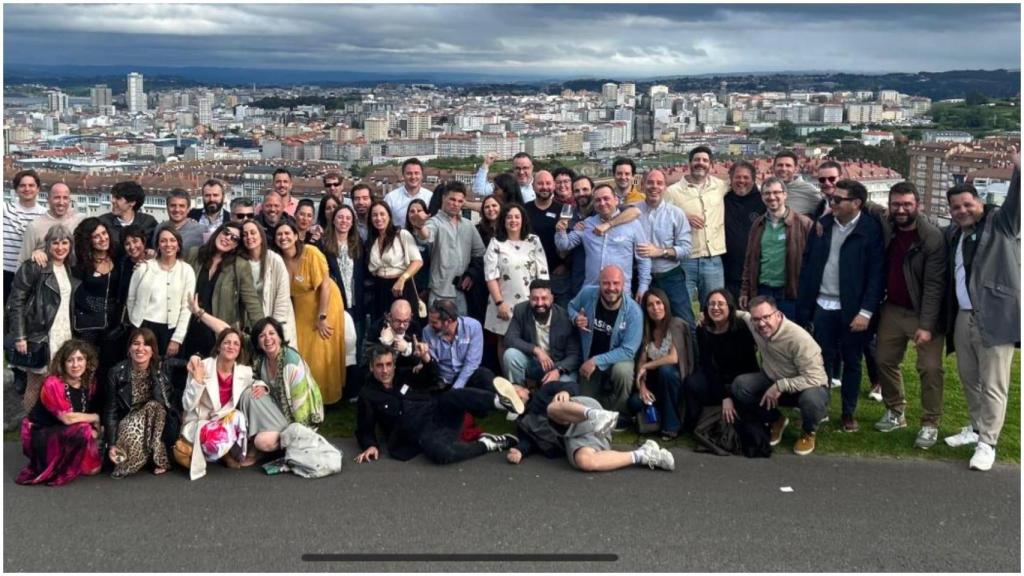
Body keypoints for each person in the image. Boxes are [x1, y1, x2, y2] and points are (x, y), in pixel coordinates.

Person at [942, 153, 1019, 471]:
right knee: (969, 377)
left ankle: (988, 442)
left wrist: (1019, 168)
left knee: (994, 384)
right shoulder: (955, 234)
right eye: (956, 208)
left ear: (980, 202)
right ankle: (975, 429)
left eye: (966, 205)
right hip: (963, 315)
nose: (961, 211)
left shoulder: (1002, 223)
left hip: (994, 314)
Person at [797, 179, 884, 433]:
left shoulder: (870, 230)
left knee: (853, 361)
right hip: (823, 304)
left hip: (854, 310)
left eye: (838, 199)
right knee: (822, 360)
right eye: (832, 199)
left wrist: (866, 312)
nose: (831, 202)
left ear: (856, 203)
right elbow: (809, 264)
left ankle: (848, 412)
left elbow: (876, 275)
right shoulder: (822, 225)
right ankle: (821, 407)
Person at [354, 345, 523, 465]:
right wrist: (370, 446)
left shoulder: (405, 374)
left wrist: (426, 359)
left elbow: (431, 377)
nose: (385, 370)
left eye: (388, 364)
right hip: (422, 434)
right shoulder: (368, 394)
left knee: (454, 396)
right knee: (441, 454)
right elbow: (365, 427)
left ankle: (501, 402)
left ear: (394, 364)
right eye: (379, 366)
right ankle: (488, 444)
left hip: (437, 412)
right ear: (371, 367)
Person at [872, 182, 948, 449]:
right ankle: (895, 411)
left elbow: (934, 286)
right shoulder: (888, 226)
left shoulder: (931, 237)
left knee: (929, 368)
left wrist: (926, 325)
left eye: (907, 204)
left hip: (923, 312)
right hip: (892, 308)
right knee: (883, 360)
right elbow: (867, 205)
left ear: (918, 205)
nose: (901, 209)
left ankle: (930, 423)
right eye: (896, 204)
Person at [179, 328, 289, 480]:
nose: (231, 346)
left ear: (239, 350)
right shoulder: (202, 366)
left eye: (236, 344)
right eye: (227, 343)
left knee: (238, 417)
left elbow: (255, 380)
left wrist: (262, 386)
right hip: (201, 422)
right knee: (215, 440)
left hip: (224, 422)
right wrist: (197, 381)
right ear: (219, 346)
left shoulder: (243, 372)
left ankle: (225, 452)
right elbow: (187, 405)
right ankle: (222, 454)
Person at [732, 296, 830, 455]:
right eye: (756, 319)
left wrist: (781, 385)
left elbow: (816, 378)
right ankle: (776, 419)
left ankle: (808, 432)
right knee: (740, 386)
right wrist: (710, 314)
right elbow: (742, 315)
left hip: (806, 387)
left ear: (778, 314)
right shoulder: (753, 322)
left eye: (766, 317)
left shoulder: (800, 339)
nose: (761, 323)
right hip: (772, 380)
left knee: (812, 399)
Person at [7, 225, 78, 413]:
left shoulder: (68, 268)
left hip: (64, 334)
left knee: (57, 384)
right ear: (48, 244)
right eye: (55, 242)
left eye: (65, 243)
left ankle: (49, 429)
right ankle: (29, 429)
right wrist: (20, 337)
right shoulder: (34, 266)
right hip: (41, 335)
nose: (60, 247)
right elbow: (16, 302)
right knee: (35, 385)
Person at [274, 221, 346, 405]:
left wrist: (322, 317)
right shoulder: (278, 260)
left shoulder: (311, 253)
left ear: (297, 235)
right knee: (304, 349)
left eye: (287, 233)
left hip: (324, 302)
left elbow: (325, 286)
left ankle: (327, 397)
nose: (283, 237)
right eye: (279, 234)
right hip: (300, 307)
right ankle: (306, 395)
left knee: (321, 348)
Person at [16, 339, 103, 486]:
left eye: (80, 359)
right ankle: (58, 465)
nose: (75, 365)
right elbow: (67, 418)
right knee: (84, 430)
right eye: (70, 360)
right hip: (41, 432)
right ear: (63, 363)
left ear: (87, 361)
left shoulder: (89, 382)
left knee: (94, 469)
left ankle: (73, 456)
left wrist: (97, 428)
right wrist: (95, 418)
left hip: (66, 430)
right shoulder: (53, 384)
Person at [103, 328, 180, 478]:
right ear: (129, 349)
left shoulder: (162, 367)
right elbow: (111, 410)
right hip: (129, 420)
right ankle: (145, 457)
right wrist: (112, 443)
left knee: (154, 407)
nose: (140, 348)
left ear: (153, 350)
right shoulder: (116, 372)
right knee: (121, 462)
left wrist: (196, 357)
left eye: (146, 345)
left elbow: (188, 363)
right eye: (136, 344)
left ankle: (159, 459)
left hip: (157, 419)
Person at [182, 222, 264, 359]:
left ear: (237, 245)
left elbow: (252, 303)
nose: (228, 238)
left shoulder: (239, 265)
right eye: (226, 232)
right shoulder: (194, 254)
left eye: (234, 238)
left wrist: (263, 333)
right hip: (188, 330)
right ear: (218, 232)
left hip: (218, 334)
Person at [568, 265, 643, 415]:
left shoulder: (634, 312)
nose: (611, 288)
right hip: (589, 361)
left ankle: (620, 413)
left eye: (616, 283)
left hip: (615, 360)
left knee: (623, 371)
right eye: (606, 283)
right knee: (584, 405)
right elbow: (571, 306)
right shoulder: (588, 293)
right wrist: (576, 318)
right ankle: (602, 408)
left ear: (623, 284)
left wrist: (596, 361)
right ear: (599, 283)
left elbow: (628, 351)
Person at [682, 289, 760, 432]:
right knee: (693, 383)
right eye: (711, 304)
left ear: (729, 307)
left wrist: (729, 394)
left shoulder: (741, 328)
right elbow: (707, 365)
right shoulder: (703, 329)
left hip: (740, 377)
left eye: (720, 304)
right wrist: (723, 396)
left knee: (740, 389)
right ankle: (696, 425)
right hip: (716, 375)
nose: (715, 308)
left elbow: (748, 364)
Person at [555, 184, 651, 298]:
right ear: (594, 204)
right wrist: (560, 231)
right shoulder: (587, 224)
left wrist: (643, 286)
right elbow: (564, 245)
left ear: (616, 200)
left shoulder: (633, 224)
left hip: (621, 293)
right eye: (598, 200)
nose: (602, 203)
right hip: (591, 293)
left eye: (606, 198)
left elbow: (643, 258)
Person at [484, 203, 549, 369]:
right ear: (503, 220)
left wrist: (542, 300)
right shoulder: (496, 243)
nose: (513, 220)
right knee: (504, 341)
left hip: (530, 302)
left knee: (532, 340)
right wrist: (500, 303)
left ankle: (531, 382)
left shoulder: (534, 241)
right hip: (503, 302)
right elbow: (490, 276)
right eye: (509, 217)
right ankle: (509, 381)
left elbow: (542, 274)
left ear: (523, 219)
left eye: (516, 216)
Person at [665, 145, 729, 310]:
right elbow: (661, 218)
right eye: (697, 160)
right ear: (689, 163)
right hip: (685, 260)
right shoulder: (672, 192)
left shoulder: (721, 186)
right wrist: (683, 218)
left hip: (713, 260)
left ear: (711, 165)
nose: (700, 163)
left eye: (705, 160)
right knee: (682, 309)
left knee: (715, 309)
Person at [739, 177, 813, 319]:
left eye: (776, 192)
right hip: (763, 291)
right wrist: (744, 291)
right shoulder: (758, 225)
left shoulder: (803, 224)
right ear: (762, 197)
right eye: (767, 193)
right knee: (765, 335)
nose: (771, 197)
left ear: (785, 195)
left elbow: (814, 262)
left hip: (789, 293)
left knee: (789, 336)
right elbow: (749, 261)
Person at [626, 289, 694, 440]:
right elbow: (642, 361)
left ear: (665, 304)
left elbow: (673, 358)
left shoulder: (676, 324)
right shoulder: (647, 329)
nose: (655, 308)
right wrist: (642, 387)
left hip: (674, 380)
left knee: (666, 371)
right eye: (650, 305)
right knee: (635, 402)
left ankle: (671, 427)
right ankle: (656, 419)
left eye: (659, 303)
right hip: (655, 383)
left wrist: (647, 367)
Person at [545, 394, 675, 471]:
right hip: (574, 435)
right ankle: (644, 454)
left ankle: (594, 415)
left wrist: (564, 391)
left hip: (580, 410)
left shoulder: (541, 394)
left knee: (551, 408)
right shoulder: (524, 425)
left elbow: (570, 386)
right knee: (584, 461)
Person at [632, 169, 693, 326]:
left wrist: (660, 252)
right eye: (650, 182)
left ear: (665, 187)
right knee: (642, 324)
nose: (654, 186)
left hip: (670, 277)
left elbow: (686, 249)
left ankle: (691, 350)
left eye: (659, 183)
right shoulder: (632, 212)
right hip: (640, 278)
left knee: (685, 322)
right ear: (643, 185)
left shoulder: (676, 214)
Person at [126, 227, 196, 356]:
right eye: (163, 241)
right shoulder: (143, 267)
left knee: (167, 370)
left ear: (178, 245)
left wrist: (177, 338)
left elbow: (186, 308)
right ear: (157, 245)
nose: (168, 244)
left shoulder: (187, 271)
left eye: (172, 240)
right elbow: (131, 298)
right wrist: (135, 323)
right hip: (144, 325)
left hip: (171, 329)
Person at [419, 182, 486, 316]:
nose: (456, 204)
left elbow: (480, 253)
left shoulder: (468, 226)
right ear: (444, 198)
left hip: (463, 291)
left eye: (460, 201)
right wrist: (420, 226)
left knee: (462, 332)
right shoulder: (434, 222)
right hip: (440, 290)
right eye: (452, 199)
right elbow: (426, 236)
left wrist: (471, 273)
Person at [503, 279, 580, 388]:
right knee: (510, 355)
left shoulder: (565, 318)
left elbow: (575, 355)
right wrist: (536, 350)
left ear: (552, 298)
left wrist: (558, 371)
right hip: (534, 362)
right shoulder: (521, 310)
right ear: (529, 298)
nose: (540, 303)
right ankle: (520, 394)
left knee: (563, 387)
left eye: (544, 298)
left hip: (558, 366)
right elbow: (510, 338)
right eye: (535, 299)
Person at [238, 219, 297, 346]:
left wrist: (273, 329)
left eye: (253, 233)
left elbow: (282, 297)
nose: (249, 237)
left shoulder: (274, 260)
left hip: (275, 322)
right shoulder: (240, 262)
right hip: (249, 324)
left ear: (261, 235)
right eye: (245, 234)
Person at [367, 200, 423, 319]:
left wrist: (402, 279)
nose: (378, 218)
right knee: (382, 328)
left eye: (382, 214)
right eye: (374, 215)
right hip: (380, 288)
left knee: (402, 326)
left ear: (389, 216)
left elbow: (417, 261)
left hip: (401, 287)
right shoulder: (372, 240)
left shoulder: (401, 234)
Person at [721, 160, 765, 302]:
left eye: (746, 177)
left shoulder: (763, 201)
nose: (741, 181)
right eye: (737, 177)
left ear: (753, 180)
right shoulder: (722, 199)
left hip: (755, 273)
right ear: (731, 179)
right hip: (726, 271)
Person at [4, 169, 48, 297]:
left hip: (32, 274)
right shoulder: (5, 210)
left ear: (38, 189)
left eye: (31, 185)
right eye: (22, 185)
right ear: (16, 189)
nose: (27, 189)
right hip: (6, 272)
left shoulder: (46, 215)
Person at [362, 299, 424, 386]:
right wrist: (384, 345)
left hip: (406, 375)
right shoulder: (376, 328)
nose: (402, 326)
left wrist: (407, 349)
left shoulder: (415, 327)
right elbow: (367, 360)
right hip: (382, 378)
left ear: (411, 316)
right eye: (398, 321)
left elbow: (417, 360)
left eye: (405, 321)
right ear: (389, 316)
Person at [19, 182, 84, 264]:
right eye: (57, 198)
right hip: (44, 274)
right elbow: (23, 261)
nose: (61, 202)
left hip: (71, 274)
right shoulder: (35, 226)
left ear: (69, 200)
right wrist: (35, 254)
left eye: (65, 198)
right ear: (48, 200)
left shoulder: (79, 220)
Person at [98, 181, 158, 249]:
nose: (113, 201)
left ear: (132, 202)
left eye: (118, 198)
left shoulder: (148, 222)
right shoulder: (103, 222)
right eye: (113, 197)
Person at [384, 158, 432, 227]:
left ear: (422, 176)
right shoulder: (390, 198)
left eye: (416, 173)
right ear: (403, 176)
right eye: (409, 173)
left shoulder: (430, 197)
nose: (413, 177)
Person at [772, 150, 820, 216]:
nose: (783, 169)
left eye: (788, 165)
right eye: (780, 165)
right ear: (773, 168)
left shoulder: (809, 191)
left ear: (796, 169)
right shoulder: (767, 189)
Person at [404, 199, 432, 306]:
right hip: (407, 286)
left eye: (419, 211)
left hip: (425, 289)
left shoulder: (429, 236)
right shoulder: (402, 234)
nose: (415, 214)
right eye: (412, 211)